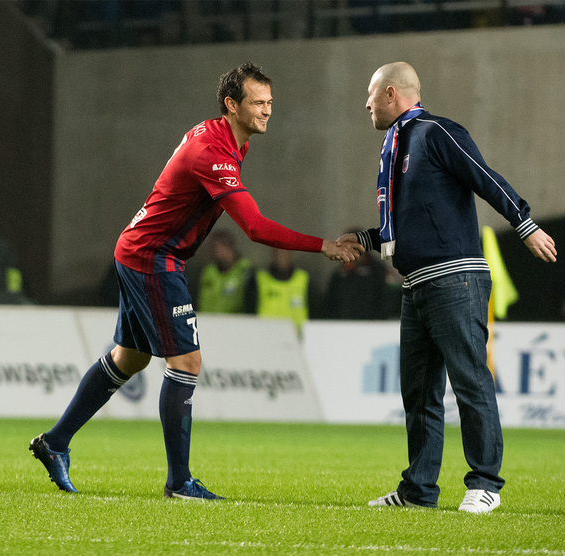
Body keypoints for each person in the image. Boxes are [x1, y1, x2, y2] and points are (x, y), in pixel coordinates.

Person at [29, 62, 363, 500]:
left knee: (130, 358)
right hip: (153, 257)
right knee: (186, 362)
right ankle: (180, 482)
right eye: (258, 103)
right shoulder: (213, 153)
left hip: (142, 250)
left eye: (269, 102)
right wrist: (323, 245)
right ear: (231, 105)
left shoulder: (225, 139)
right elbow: (255, 228)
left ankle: (55, 442)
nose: (267, 110)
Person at [353, 62, 557, 514]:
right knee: (419, 393)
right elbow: (408, 219)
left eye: (371, 94)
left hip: (455, 278)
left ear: (391, 93)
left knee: (469, 382)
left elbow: (485, 177)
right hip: (416, 284)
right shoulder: (395, 144)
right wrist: (365, 240)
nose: (366, 103)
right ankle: (418, 491)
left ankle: (485, 484)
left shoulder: (435, 132)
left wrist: (524, 224)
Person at [320, 230, 392, 320]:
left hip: (373, 325)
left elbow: (385, 303)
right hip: (342, 325)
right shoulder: (338, 275)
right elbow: (329, 305)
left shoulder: (378, 272)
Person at [244, 247, 315, 332]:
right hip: (266, 335)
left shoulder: (303, 280)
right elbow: (249, 313)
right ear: (272, 255)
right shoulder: (258, 280)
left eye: (285, 253)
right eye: (277, 253)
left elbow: (315, 313)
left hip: (296, 336)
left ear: (291, 255)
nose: (281, 257)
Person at [196, 230, 253, 314]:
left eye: (215, 248)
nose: (212, 252)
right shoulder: (209, 271)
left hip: (235, 320)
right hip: (207, 319)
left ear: (226, 247)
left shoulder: (245, 270)